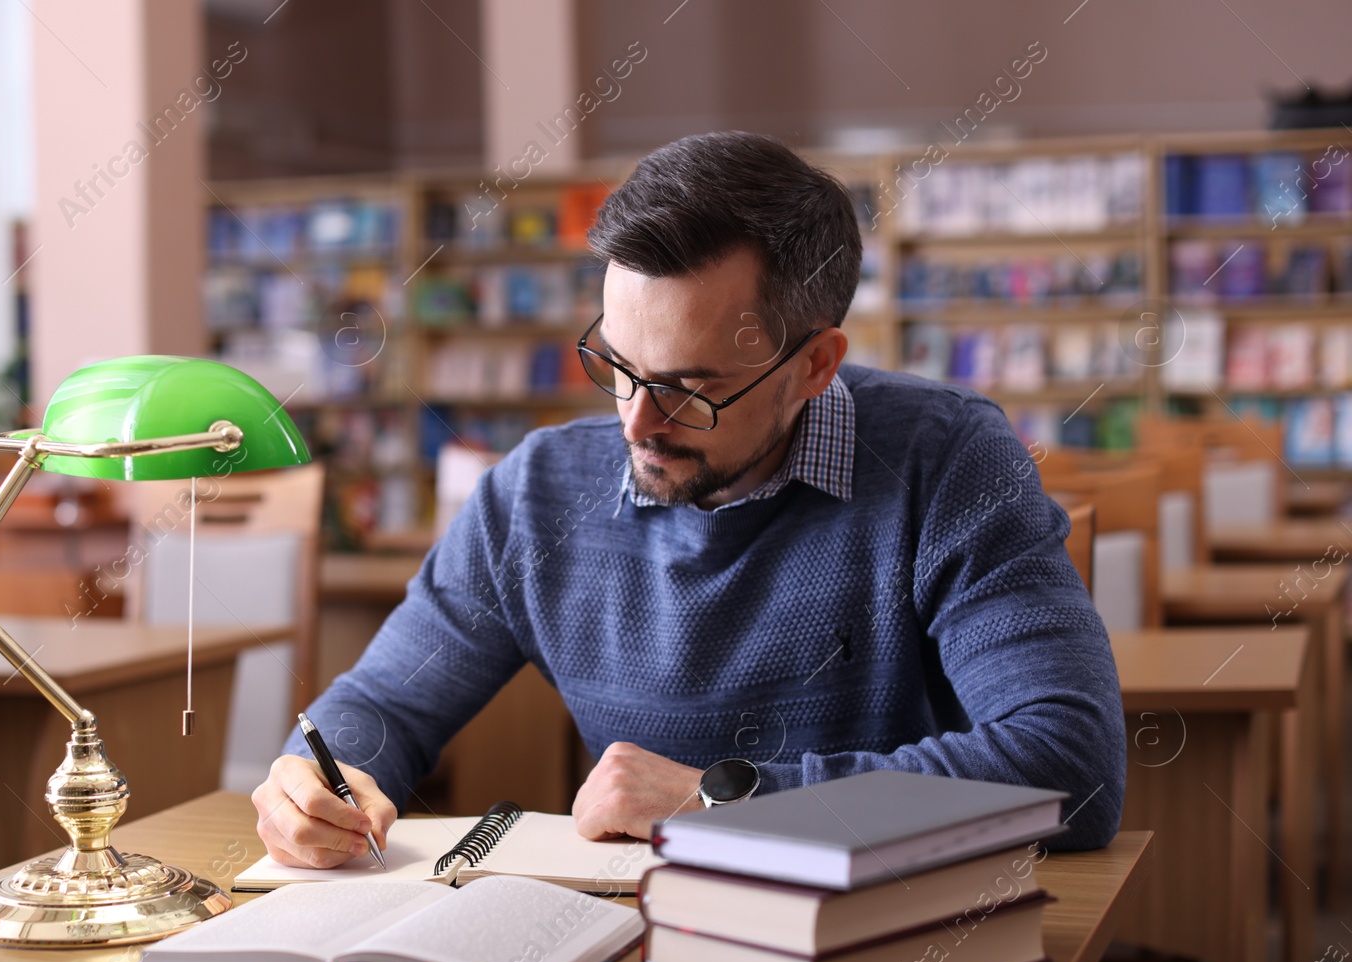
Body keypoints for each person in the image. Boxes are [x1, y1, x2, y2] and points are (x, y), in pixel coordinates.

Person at [253, 131, 1125, 869]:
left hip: (889, 949)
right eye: (617, 365)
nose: (637, 422)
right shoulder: (535, 493)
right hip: (641, 947)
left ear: (816, 366)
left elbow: (1069, 765)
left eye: (690, 388)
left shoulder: (950, 461)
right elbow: (383, 705)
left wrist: (726, 799)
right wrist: (314, 778)